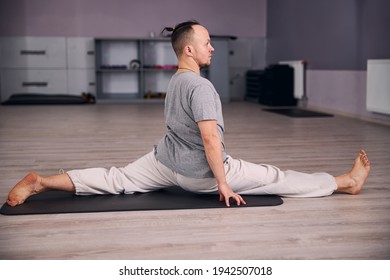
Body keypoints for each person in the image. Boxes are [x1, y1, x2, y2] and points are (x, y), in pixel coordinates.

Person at [6, 20, 371, 208]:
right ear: (189, 50)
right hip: (200, 176)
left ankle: (43, 183)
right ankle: (343, 182)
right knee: (277, 177)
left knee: (115, 178)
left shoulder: (176, 81)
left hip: (164, 163)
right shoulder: (201, 87)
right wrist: (223, 184)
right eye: (207, 43)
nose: (213, 47)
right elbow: (210, 139)